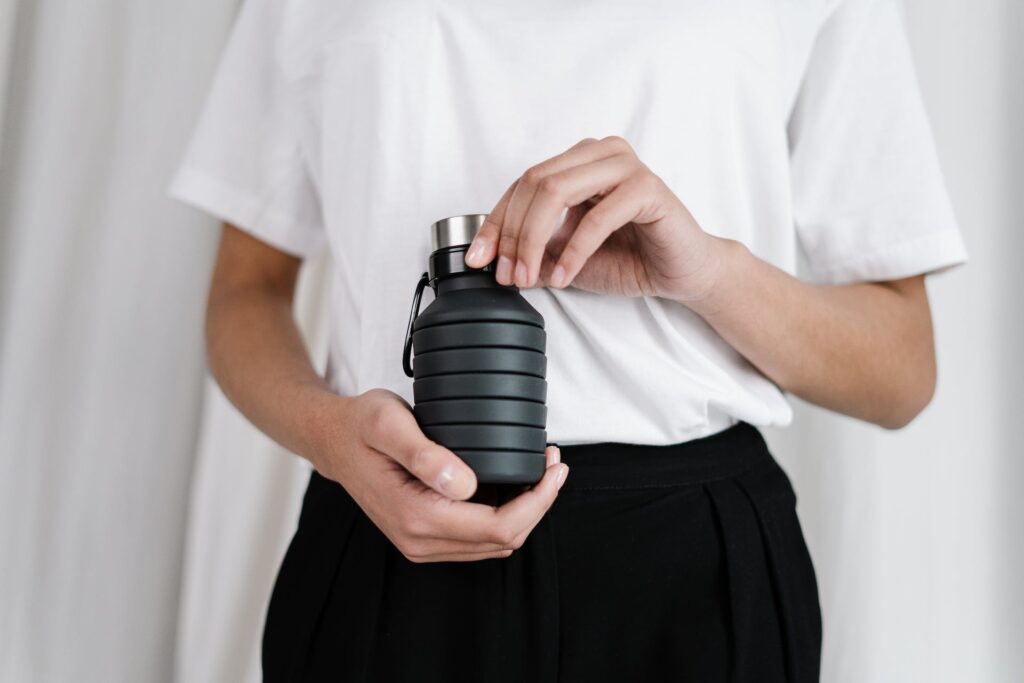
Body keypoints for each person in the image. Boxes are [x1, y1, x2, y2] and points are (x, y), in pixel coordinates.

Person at [169, 0, 967, 680]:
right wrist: (331, 438)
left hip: (692, 568)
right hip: (385, 526)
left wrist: (708, 275)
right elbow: (246, 291)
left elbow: (902, 369)